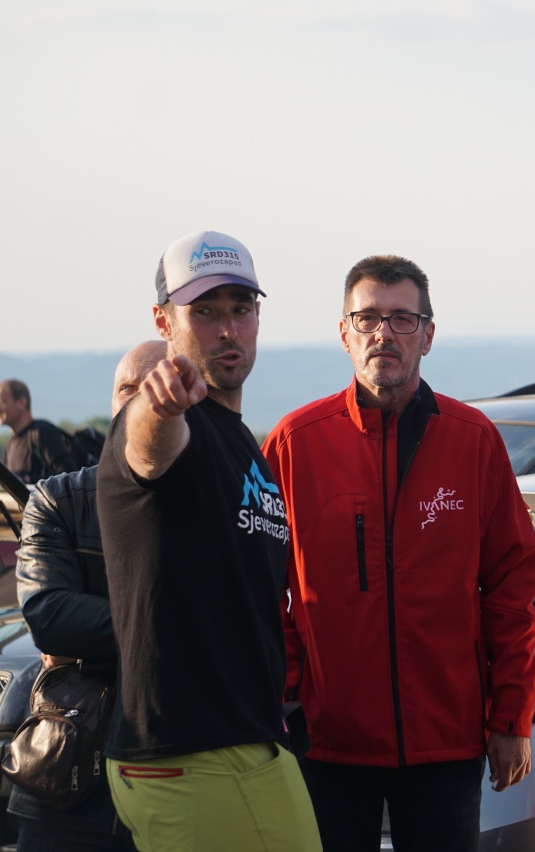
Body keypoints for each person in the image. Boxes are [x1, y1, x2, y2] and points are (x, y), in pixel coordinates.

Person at [262, 254, 535, 852]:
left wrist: (510, 717)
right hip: (327, 745)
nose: (383, 333)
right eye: (366, 317)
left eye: (402, 319)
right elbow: (261, 588)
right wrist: (290, 697)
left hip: (447, 744)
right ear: (344, 333)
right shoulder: (294, 443)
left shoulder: (473, 440)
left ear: (428, 335)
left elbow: (512, 588)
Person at [96, 230, 321, 851]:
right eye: (204, 312)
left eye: (240, 309)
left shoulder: (239, 437)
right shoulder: (175, 423)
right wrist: (160, 406)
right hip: (193, 753)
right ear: (163, 321)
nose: (227, 329)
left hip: (239, 743)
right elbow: (148, 446)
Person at [7, 340, 165, 851]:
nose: (139, 399)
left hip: (178, 769)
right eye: (126, 388)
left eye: (156, 386)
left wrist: (92, 640)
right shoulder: (58, 498)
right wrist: (176, 631)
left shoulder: (215, 500)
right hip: (67, 771)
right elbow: (49, 614)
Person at [0, 379, 82, 483]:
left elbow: (69, 475)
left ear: (22, 403)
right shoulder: (10, 443)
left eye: (1, 402)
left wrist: (25, 482)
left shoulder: (43, 432)